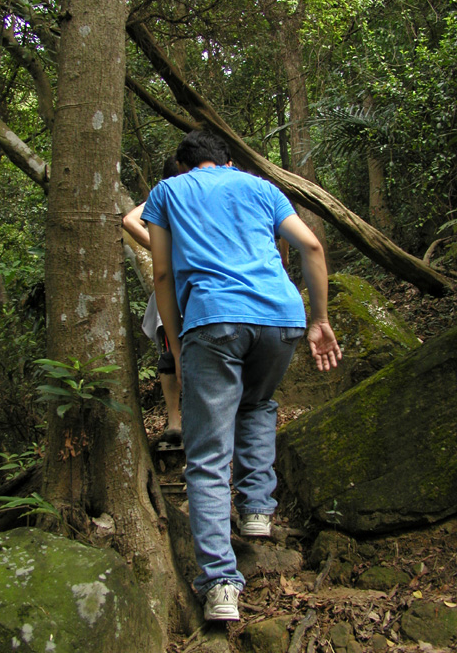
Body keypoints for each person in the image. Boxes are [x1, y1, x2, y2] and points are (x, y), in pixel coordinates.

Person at [141, 129, 341, 622]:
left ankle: (221, 584)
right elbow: (312, 247)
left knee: (208, 453)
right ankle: (256, 510)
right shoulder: (262, 188)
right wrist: (320, 320)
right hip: (282, 317)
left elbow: (162, 274)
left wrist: (177, 342)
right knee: (257, 403)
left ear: (184, 165)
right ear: (228, 161)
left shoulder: (167, 191)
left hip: (213, 319)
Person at [122, 156, 182, 444]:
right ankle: (175, 421)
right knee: (172, 353)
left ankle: (182, 420)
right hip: (174, 286)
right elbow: (129, 221)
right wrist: (158, 247)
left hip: (194, 284)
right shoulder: (166, 196)